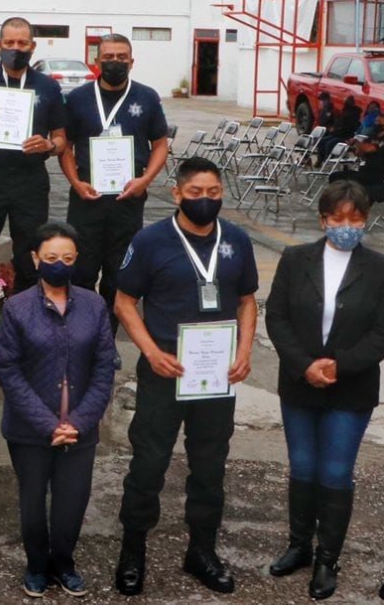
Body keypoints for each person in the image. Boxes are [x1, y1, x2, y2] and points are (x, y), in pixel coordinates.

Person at [111, 156, 259, 596]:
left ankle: (202, 550)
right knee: (149, 465)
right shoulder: (151, 240)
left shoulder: (237, 240)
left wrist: (246, 351)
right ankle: (133, 550)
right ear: (176, 194)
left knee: (210, 467)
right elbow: (123, 301)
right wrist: (151, 352)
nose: (205, 200)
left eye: (213, 193)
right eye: (195, 193)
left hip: (217, 376)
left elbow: (248, 300)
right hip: (164, 370)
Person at [264, 180, 384, 600]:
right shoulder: (296, 259)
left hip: (351, 388)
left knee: (334, 471)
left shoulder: (378, 267)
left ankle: (327, 558)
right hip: (300, 382)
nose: (347, 226)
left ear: (365, 220)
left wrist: (340, 365)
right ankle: (298, 546)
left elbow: (380, 332)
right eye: (339, 218)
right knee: (302, 466)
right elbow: (275, 317)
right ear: (323, 219)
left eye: (356, 219)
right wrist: (304, 364)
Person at [0, 222, 116, 598]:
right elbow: (8, 371)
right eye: (51, 258)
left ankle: (64, 563)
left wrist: (78, 422)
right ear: (35, 259)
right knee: (33, 502)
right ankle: (36, 565)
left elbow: (104, 367)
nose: (59, 265)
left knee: (72, 502)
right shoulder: (17, 308)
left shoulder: (94, 305)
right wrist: (49, 424)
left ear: (76, 260)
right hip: (30, 429)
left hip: (80, 429)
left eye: (67, 258)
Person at [60, 33, 169, 329]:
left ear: (132, 62)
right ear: (96, 62)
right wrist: (75, 181)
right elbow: (65, 145)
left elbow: (160, 144)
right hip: (86, 199)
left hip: (128, 200)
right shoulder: (78, 98)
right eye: (108, 57)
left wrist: (145, 180)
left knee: (118, 272)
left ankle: (107, 338)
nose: (115, 63)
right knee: (81, 270)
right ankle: (81, 333)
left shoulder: (147, 97)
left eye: (121, 57)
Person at [0, 17, 66, 291]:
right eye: (9, 43)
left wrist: (48, 146)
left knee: (30, 258)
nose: (15, 48)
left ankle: (27, 324)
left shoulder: (48, 86)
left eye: (22, 43)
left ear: (33, 46)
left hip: (30, 181)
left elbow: (61, 140)